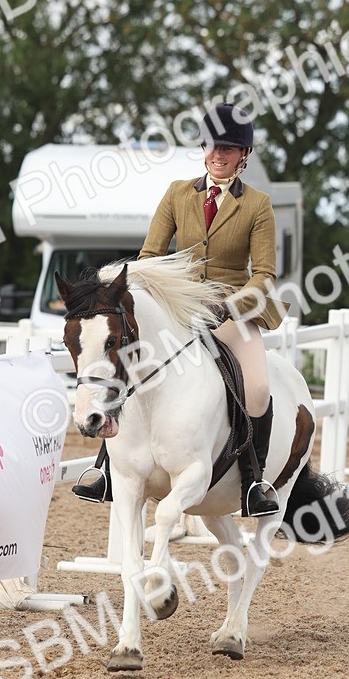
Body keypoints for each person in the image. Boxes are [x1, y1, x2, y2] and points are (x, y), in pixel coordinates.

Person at [73, 102, 286, 515]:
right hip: (177, 310)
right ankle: (106, 469)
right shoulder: (177, 193)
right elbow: (150, 255)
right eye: (212, 146)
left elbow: (265, 276)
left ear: (244, 156)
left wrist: (229, 304)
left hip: (229, 313)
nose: (218, 155)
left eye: (228, 149)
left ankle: (254, 480)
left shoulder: (258, 205)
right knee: (128, 363)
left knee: (257, 388)